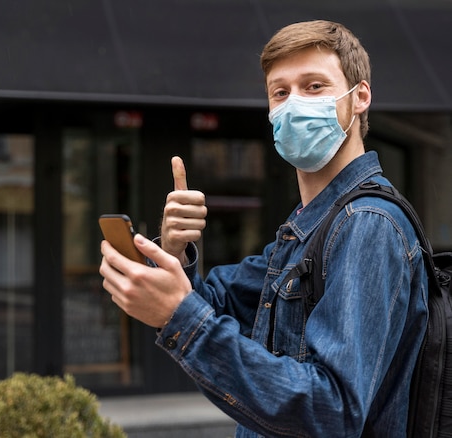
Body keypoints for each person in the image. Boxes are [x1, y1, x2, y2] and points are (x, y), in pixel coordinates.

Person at [99, 20, 428, 437]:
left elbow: (333, 410)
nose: (293, 105)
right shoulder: (308, 226)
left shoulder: (367, 225)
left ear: (359, 97)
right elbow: (219, 303)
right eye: (280, 92)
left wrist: (179, 314)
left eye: (313, 86)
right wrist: (176, 254)